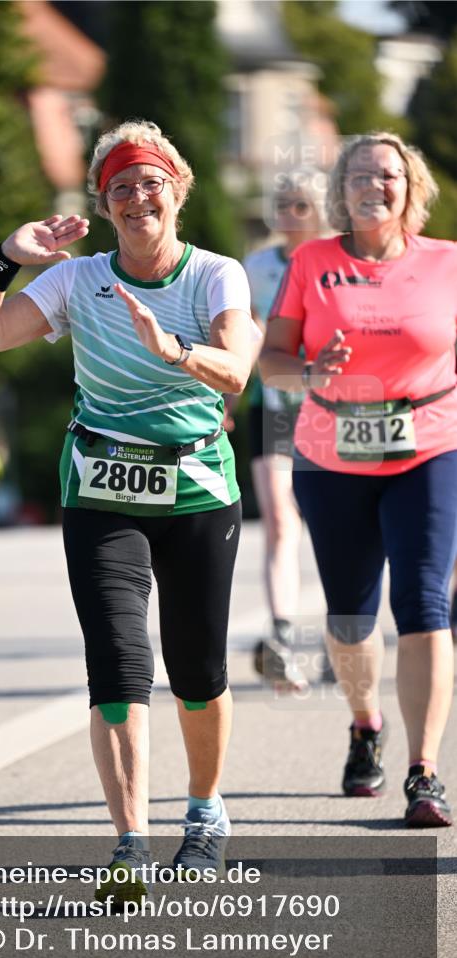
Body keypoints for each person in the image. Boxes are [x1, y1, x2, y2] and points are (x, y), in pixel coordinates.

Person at [0, 121, 255, 898]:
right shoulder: (76, 279)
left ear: (177, 189)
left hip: (196, 488)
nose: (136, 196)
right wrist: (6, 260)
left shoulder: (216, 275)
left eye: (150, 181)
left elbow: (236, 373)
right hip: (101, 489)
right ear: (104, 203)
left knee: (196, 668)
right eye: (120, 185)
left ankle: (204, 812)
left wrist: (173, 351)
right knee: (118, 665)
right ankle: (129, 842)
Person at [259, 132, 457, 828]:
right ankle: (364, 722)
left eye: (389, 175)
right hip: (331, 452)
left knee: (424, 602)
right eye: (361, 176)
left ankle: (423, 771)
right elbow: (271, 360)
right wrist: (310, 374)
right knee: (349, 616)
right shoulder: (311, 262)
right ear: (340, 193)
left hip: (428, 445)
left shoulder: (447, 264)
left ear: (411, 189)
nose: (375, 185)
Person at [243, 174, 326, 691]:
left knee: (335, 519)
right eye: (281, 205)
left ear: (318, 210)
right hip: (271, 406)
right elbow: (243, 336)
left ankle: (347, 631)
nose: (288, 214)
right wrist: (226, 395)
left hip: (326, 406)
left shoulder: (335, 262)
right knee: (278, 518)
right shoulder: (255, 267)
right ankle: (282, 636)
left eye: (299, 205)